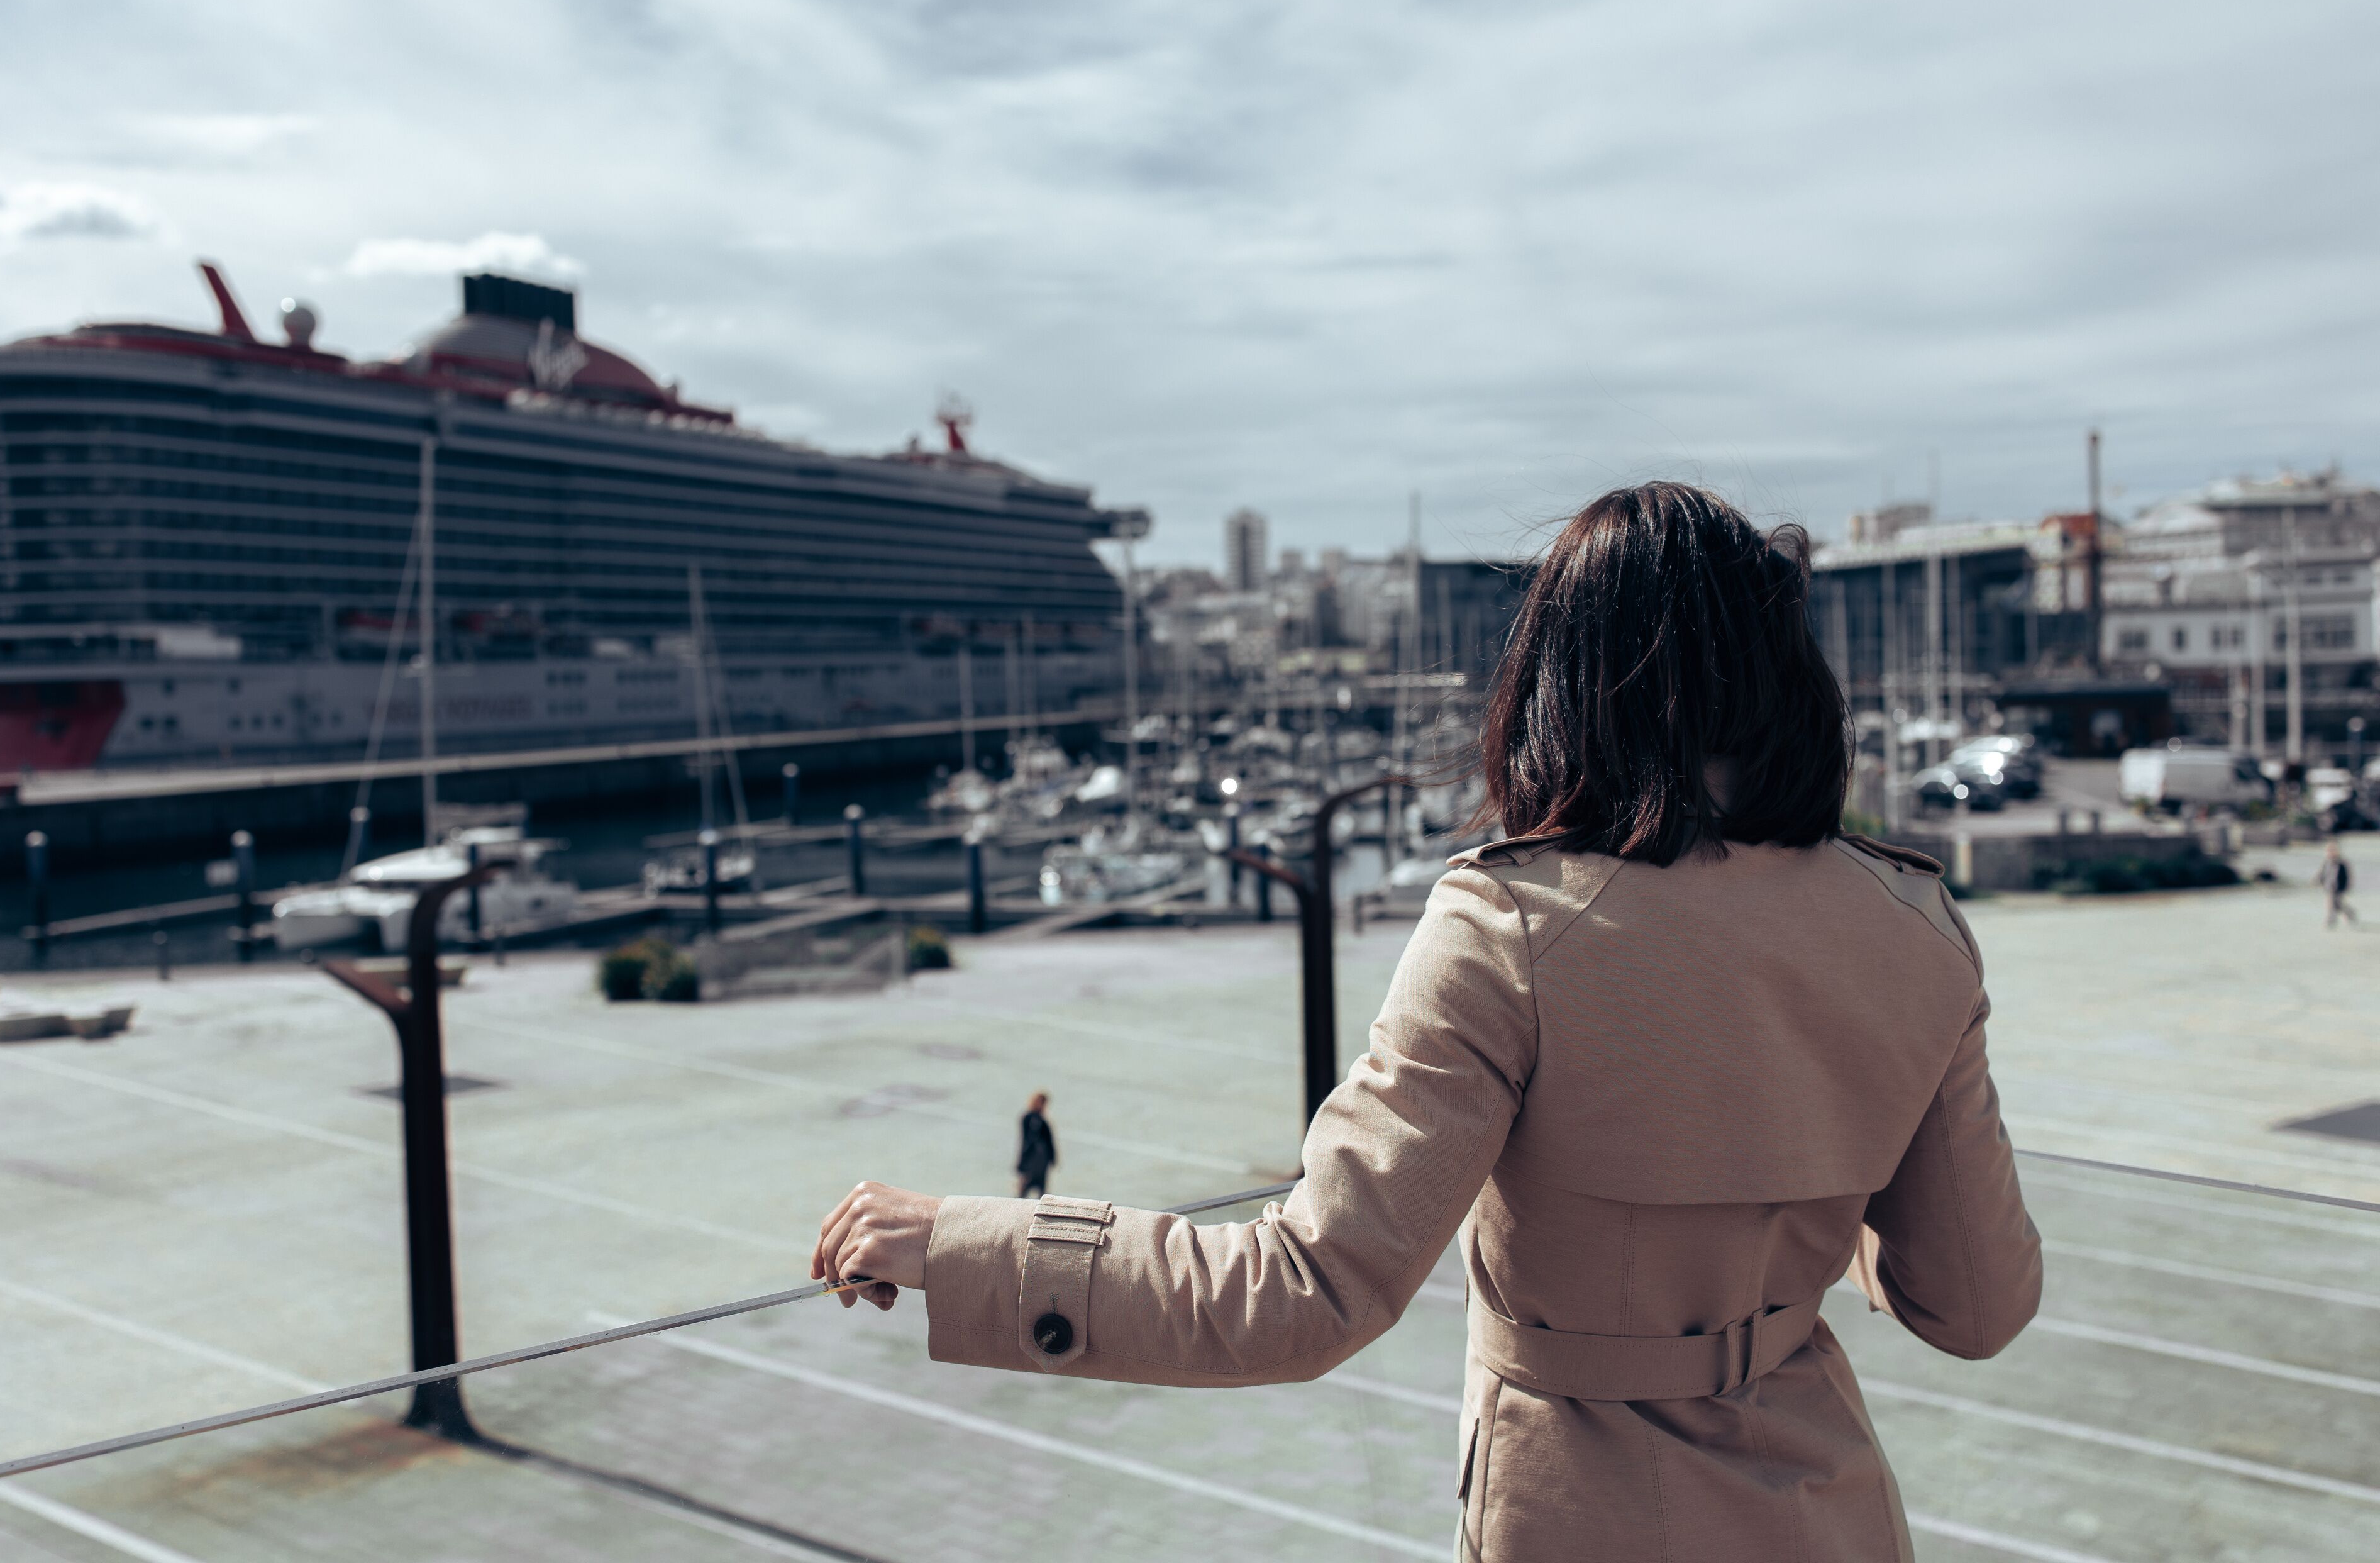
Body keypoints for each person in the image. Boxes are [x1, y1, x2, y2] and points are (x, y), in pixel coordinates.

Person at [813, 483, 2043, 1560]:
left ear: (1564, 682)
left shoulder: (1515, 922)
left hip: (1578, 1519)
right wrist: (1821, 1174)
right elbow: (1979, 1306)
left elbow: (1301, 1290)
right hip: (1826, 1512)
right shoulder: (1911, 921)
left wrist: (963, 1240)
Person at [1014, 1091, 1054, 1199]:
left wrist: (1052, 1158)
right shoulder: (1029, 1118)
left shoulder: (1043, 1122)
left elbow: (1049, 1142)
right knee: (1024, 1189)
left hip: (1041, 1163)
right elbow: (1025, 1141)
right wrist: (1022, 1162)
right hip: (1030, 1161)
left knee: (1041, 1191)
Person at [2318, 839, 2355, 927]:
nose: (2331, 853)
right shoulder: (2326, 863)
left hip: (2339, 888)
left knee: (2339, 904)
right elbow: (2322, 873)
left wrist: (2347, 886)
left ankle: (2350, 913)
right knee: (2331, 904)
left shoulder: (2342, 863)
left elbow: (2347, 876)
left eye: (2333, 850)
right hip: (2329, 887)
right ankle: (2331, 920)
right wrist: (2318, 880)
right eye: (2329, 851)